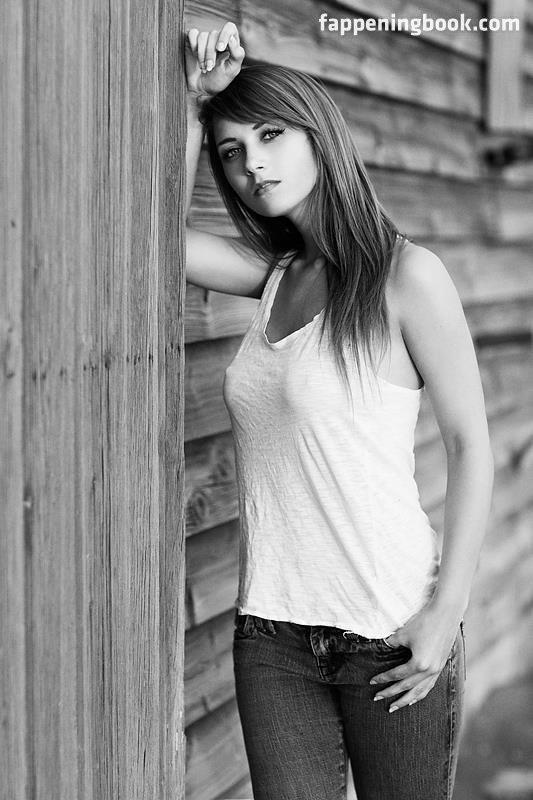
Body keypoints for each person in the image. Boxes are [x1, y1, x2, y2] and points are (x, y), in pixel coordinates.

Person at [184, 21, 494, 800]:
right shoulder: (273, 276)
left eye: (271, 135)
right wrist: (192, 101)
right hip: (272, 637)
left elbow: (469, 445)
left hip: (389, 629)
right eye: (230, 151)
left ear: (317, 135)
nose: (252, 165)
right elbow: (157, 239)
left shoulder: (407, 276)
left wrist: (445, 612)